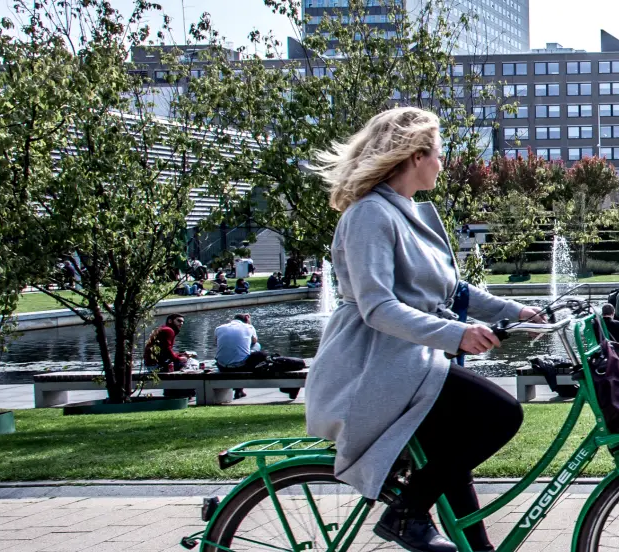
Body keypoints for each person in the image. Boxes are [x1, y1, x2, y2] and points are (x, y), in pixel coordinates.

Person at [307, 107, 542, 552]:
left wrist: (520, 312)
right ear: (414, 156)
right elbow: (377, 307)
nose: (442, 162)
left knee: (452, 461)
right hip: (373, 367)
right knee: (501, 414)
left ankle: (475, 547)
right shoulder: (369, 216)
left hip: (412, 363)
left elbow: (455, 291)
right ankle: (406, 514)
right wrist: (456, 335)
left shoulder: (408, 211)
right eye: (437, 153)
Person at [215, 314, 267, 400]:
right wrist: (249, 324)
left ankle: (239, 390)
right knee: (256, 346)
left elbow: (216, 343)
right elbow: (254, 341)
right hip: (241, 367)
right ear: (246, 320)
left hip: (222, 366)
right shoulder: (249, 327)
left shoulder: (219, 328)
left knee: (232, 350)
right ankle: (239, 390)